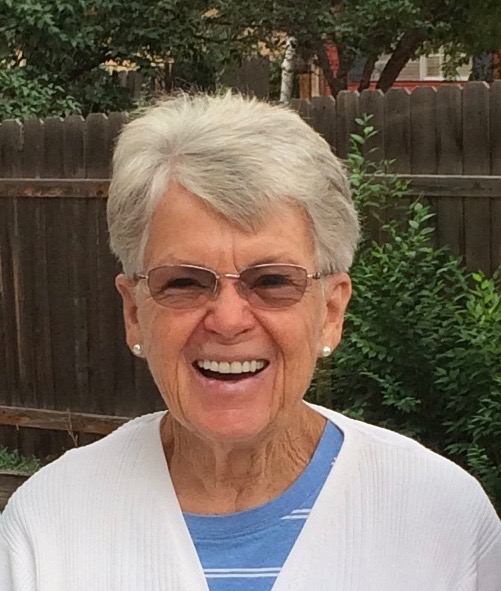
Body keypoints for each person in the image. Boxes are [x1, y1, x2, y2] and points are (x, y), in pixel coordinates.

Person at [0, 93, 499, 591]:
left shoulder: (445, 523)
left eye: (273, 281)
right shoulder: (48, 527)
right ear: (134, 313)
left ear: (330, 312)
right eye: (184, 282)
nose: (228, 320)